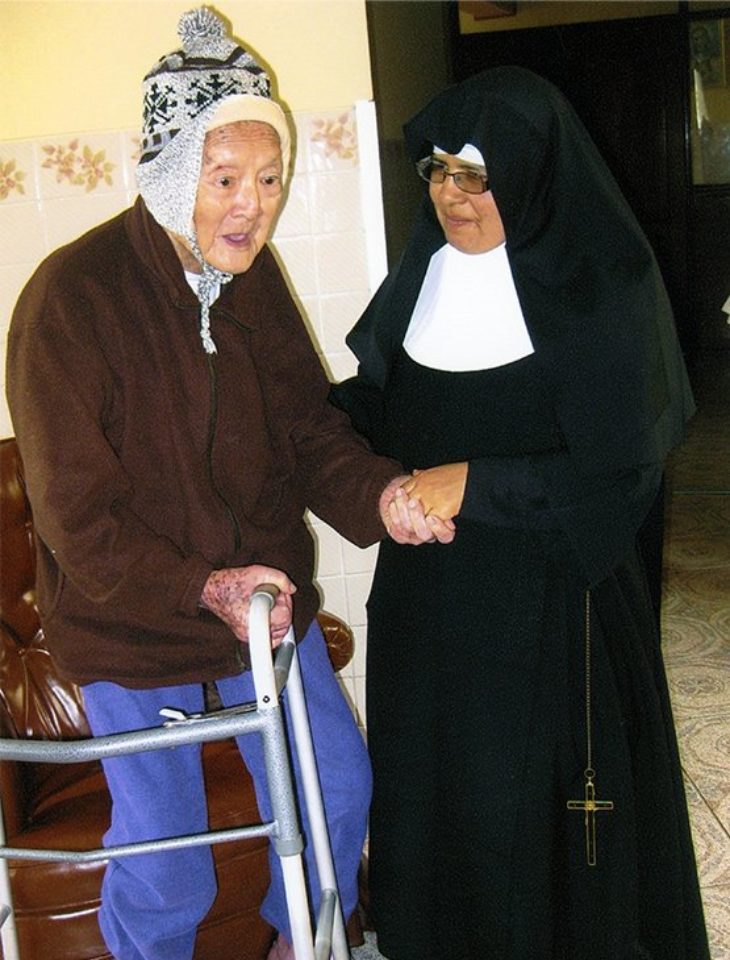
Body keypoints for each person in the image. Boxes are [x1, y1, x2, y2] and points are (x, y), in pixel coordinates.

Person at [5, 9, 451, 960]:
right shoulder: (69, 300)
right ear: (171, 174)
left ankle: (300, 949)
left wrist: (381, 496)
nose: (253, 206)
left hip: (260, 612)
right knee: (172, 866)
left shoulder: (251, 281)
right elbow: (77, 517)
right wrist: (201, 585)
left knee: (336, 791)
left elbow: (307, 429)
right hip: (133, 622)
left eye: (270, 178)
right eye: (225, 179)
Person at [329, 66, 710, 960]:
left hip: (556, 610)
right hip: (429, 607)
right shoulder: (422, 276)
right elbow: (382, 404)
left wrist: (479, 483)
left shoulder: (603, 286)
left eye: (477, 175)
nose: (450, 196)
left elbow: (624, 474)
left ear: (535, 174)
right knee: (438, 803)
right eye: (437, 170)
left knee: (540, 828)